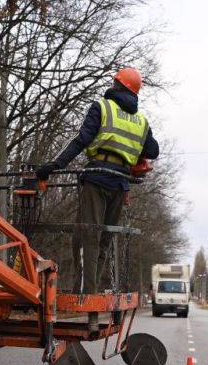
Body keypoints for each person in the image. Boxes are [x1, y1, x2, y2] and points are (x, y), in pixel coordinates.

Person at [36, 67, 159, 294]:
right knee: (104, 239)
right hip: (120, 184)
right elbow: (153, 150)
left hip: (97, 178)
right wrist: (136, 154)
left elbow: (81, 140)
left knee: (86, 237)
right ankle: (91, 295)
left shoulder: (102, 107)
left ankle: (85, 295)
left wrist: (53, 166)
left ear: (118, 85)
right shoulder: (141, 120)